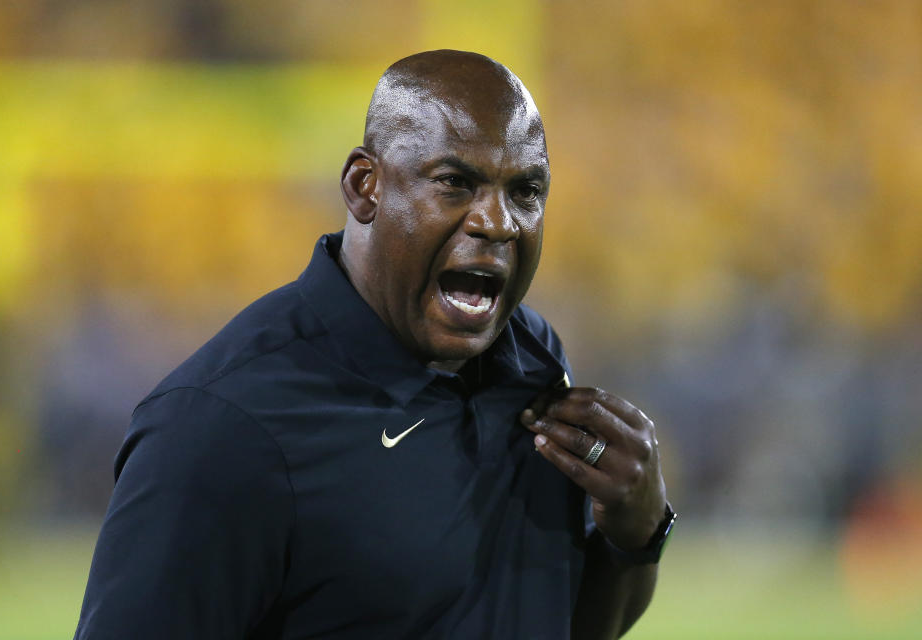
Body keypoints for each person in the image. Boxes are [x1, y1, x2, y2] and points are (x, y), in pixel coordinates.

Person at [74, 49, 674, 639]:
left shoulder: (531, 363)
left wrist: (636, 531)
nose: (498, 223)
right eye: (455, 182)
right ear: (366, 187)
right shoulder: (222, 426)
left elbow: (551, 619)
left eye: (525, 191)